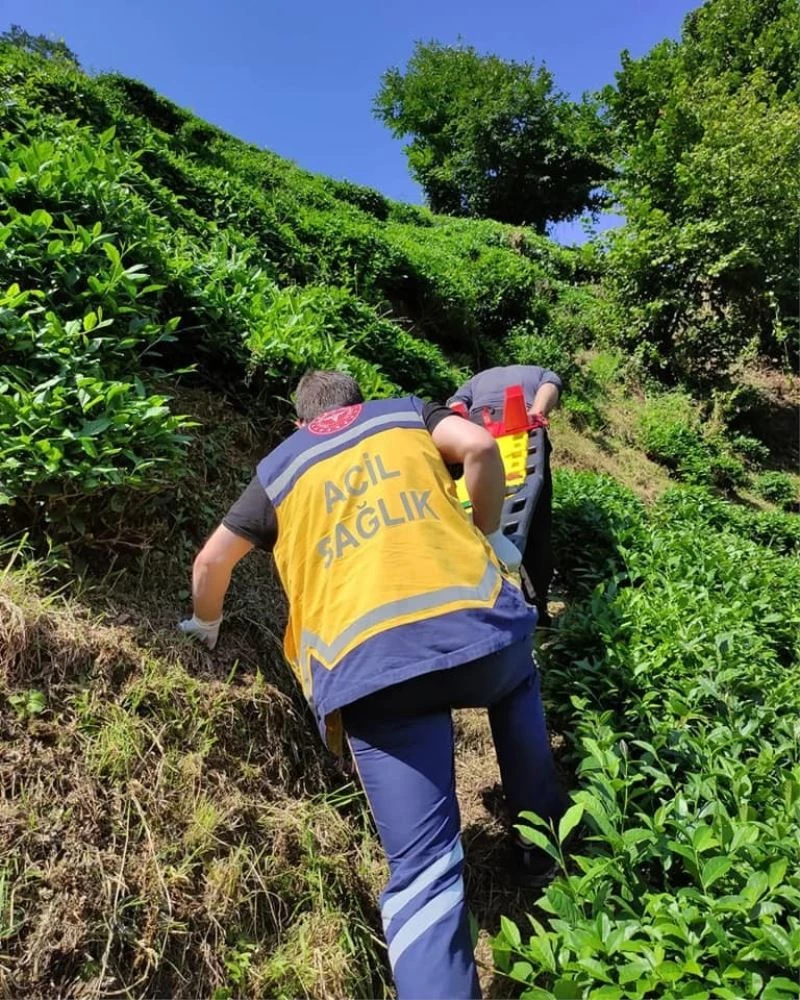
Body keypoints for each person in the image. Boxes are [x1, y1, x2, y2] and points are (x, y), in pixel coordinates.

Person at [178, 370, 567, 1000]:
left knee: (422, 869)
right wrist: (491, 534)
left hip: (370, 671)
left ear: (300, 421)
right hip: (474, 632)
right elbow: (480, 447)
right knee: (516, 682)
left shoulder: (279, 468)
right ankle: (539, 845)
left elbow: (209, 562)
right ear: (358, 403)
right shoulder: (405, 413)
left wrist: (205, 626)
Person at [447, 364, 561, 627]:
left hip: (478, 429)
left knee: (468, 510)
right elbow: (550, 386)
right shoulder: (538, 372)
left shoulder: (476, 380)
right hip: (521, 423)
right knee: (536, 522)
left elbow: (455, 405)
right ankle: (536, 604)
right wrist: (537, 412)